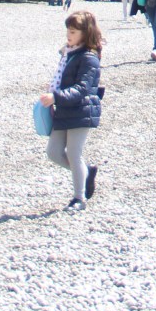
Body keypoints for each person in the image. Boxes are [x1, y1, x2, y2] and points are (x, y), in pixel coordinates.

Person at [39, 11, 103, 213]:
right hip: (65, 109)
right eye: (68, 30)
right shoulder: (70, 52)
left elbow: (82, 88)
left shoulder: (89, 58)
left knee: (74, 153)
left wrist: (56, 97)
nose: (69, 35)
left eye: (73, 31)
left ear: (85, 33)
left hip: (81, 110)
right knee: (53, 152)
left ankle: (79, 197)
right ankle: (86, 173)